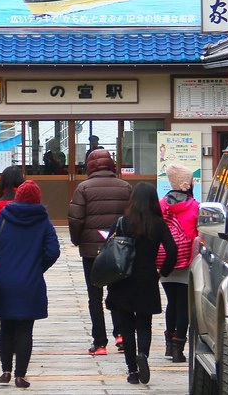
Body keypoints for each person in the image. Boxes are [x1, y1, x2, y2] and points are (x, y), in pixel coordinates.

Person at [0, 180, 60, 389]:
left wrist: (4, 260)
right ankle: (20, 375)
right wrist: (38, 266)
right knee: (26, 329)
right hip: (30, 282)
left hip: (3, 281)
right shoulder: (42, 220)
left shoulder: (5, 217)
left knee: (6, 326)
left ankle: (6, 370)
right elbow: (53, 251)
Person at [106, 181, 177, 385]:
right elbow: (172, 250)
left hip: (122, 279)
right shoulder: (158, 223)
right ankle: (143, 356)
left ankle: (132, 372)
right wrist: (162, 271)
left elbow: (108, 247)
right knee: (144, 323)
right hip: (147, 279)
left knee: (126, 326)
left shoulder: (122, 222)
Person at [68, 147, 131, 356]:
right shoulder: (125, 187)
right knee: (119, 291)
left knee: (94, 295)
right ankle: (121, 335)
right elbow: (132, 218)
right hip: (119, 249)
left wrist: (77, 241)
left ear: (90, 166)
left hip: (92, 251)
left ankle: (100, 342)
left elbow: (75, 219)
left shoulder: (83, 188)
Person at [159, 163, 199, 363]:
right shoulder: (195, 206)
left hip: (165, 261)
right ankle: (178, 350)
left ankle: (168, 345)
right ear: (187, 183)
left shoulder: (161, 204)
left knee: (171, 303)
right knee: (183, 305)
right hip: (187, 260)